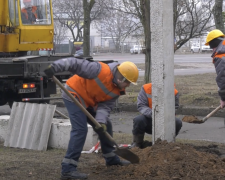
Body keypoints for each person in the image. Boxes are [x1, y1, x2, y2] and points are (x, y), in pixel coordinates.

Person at [44, 58, 139, 179]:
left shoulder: (117, 90)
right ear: (121, 78)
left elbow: (105, 107)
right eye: (128, 82)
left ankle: (111, 158)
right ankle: (68, 169)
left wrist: (100, 122)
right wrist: (55, 67)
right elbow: (75, 63)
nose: (128, 85)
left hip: (89, 102)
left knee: (107, 125)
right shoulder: (99, 70)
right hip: (73, 95)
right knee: (80, 130)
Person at [131, 83, 182, 148]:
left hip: (165, 119)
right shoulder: (146, 88)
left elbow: (174, 107)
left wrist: (164, 115)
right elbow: (141, 105)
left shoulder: (174, 92)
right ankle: (137, 143)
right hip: (148, 118)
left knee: (177, 122)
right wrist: (154, 114)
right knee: (139, 120)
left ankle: (169, 143)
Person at [204, 29, 225, 108]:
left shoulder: (220, 56)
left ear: (214, 43)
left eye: (211, 45)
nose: (212, 49)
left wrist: (223, 98)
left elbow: (223, 79)